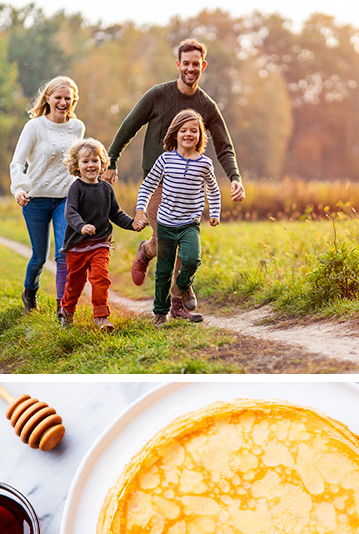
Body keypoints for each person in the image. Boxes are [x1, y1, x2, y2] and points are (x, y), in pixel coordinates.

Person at [102, 38, 245, 308]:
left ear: (203, 66)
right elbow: (129, 125)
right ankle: (146, 251)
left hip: (191, 187)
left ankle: (179, 297)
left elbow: (225, 146)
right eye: (186, 63)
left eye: (196, 64)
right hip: (158, 182)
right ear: (178, 64)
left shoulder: (207, 106)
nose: (191, 69)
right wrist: (112, 159)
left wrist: (235, 177)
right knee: (165, 242)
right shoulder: (158, 95)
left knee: (185, 242)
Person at [135, 109, 221, 325]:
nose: (188, 134)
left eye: (194, 130)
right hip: (165, 224)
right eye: (183, 130)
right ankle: (160, 312)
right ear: (175, 134)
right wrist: (140, 209)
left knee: (192, 259)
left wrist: (215, 212)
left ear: (200, 135)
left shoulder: (205, 163)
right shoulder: (165, 159)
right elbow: (148, 186)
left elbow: (213, 189)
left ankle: (180, 293)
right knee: (163, 270)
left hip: (189, 224)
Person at [9, 75, 85, 314]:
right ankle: (29, 291)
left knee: (64, 253)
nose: (63, 102)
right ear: (48, 98)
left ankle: (63, 308)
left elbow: (76, 163)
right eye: (58, 98)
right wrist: (19, 188)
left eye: (67, 99)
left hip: (65, 198)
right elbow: (17, 162)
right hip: (36, 199)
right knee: (39, 258)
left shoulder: (77, 127)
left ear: (73, 101)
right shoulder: (34, 126)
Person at [58, 138, 143, 332]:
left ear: (102, 163)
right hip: (77, 246)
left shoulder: (106, 189)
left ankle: (101, 317)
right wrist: (82, 226)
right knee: (75, 284)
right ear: (76, 166)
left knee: (100, 278)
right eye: (85, 161)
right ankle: (67, 311)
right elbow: (70, 213)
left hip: (100, 244)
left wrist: (132, 224)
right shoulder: (76, 188)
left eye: (95, 160)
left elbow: (116, 214)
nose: (91, 165)